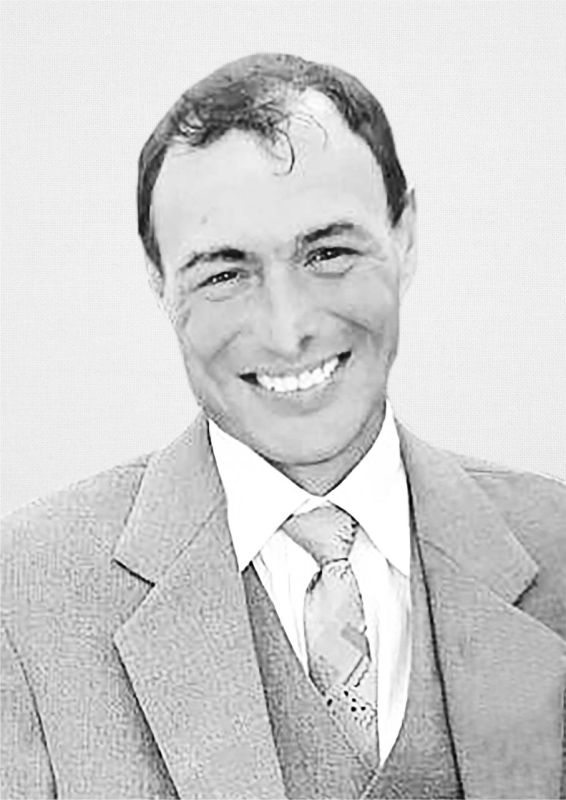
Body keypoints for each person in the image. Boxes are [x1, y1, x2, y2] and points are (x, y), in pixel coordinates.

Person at [1, 52, 565, 800]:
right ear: (158, 284)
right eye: (223, 273)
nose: (287, 329)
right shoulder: (24, 596)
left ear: (406, 236)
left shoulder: (557, 544)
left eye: (328, 252)